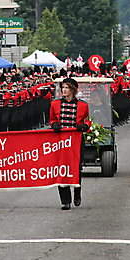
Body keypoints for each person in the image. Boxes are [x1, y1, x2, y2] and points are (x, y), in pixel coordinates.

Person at [49, 77, 90, 210]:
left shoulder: (83, 105)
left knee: (75, 168)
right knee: (61, 168)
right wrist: (54, 124)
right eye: (63, 87)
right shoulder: (54, 104)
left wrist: (84, 126)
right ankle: (65, 200)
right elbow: (52, 119)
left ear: (73, 90)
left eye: (66, 87)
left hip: (76, 141)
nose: (64, 90)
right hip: (60, 141)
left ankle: (77, 191)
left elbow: (87, 120)